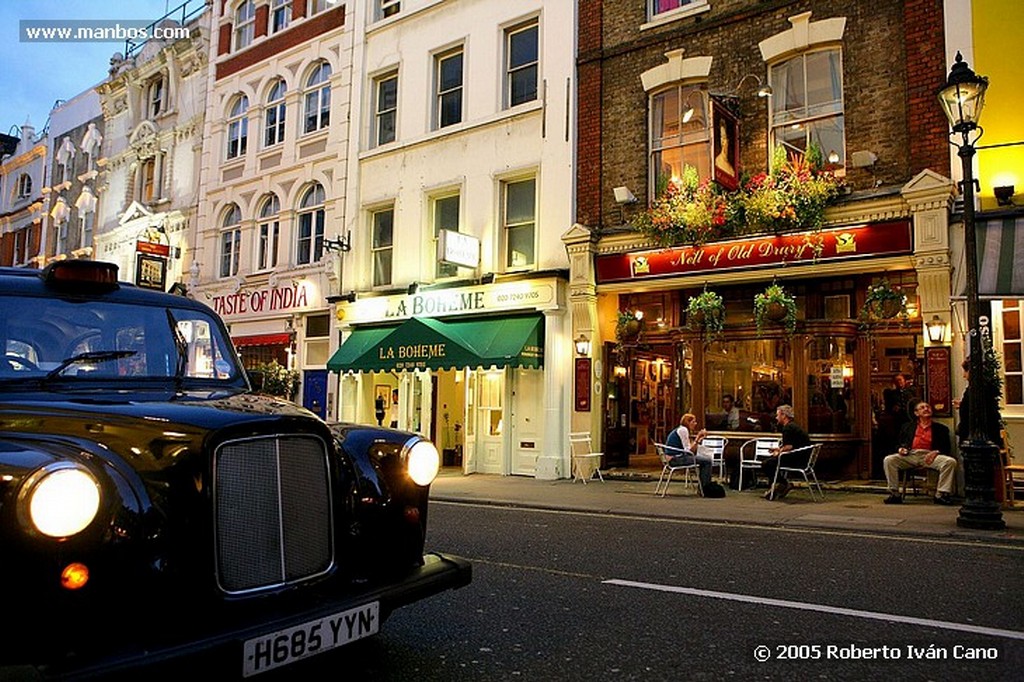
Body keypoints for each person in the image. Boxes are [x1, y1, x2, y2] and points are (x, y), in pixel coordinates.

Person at [882, 400, 957, 505]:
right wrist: (900, 449)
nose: (926, 409)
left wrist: (935, 452)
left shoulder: (941, 428)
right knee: (889, 460)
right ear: (916, 413)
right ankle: (895, 494)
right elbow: (898, 444)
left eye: (928, 407)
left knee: (950, 462)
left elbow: (946, 448)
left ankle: (941, 494)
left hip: (929, 455)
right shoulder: (907, 427)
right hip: (911, 455)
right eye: (922, 408)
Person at [761, 404, 811, 500]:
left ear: (784, 416)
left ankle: (782, 484)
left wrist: (779, 452)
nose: (776, 418)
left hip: (797, 459)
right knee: (771, 462)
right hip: (802, 457)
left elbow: (789, 447)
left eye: (778, 415)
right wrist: (778, 450)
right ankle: (775, 487)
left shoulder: (788, 428)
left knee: (767, 464)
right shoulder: (793, 426)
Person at [954, 359, 1003, 447]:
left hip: (977, 435)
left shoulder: (977, 389)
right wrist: (963, 405)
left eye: (965, 371)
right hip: (986, 432)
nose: (964, 376)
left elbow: (978, 411)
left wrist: (964, 406)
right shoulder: (984, 387)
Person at [665, 413, 713, 492]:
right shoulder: (683, 430)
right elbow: (688, 451)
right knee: (707, 461)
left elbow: (690, 450)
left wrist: (698, 440)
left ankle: (703, 486)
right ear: (688, 422)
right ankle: (704, 488)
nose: (695, 424)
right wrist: (697, 438)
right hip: (675, 459)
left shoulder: (682, 430)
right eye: (693, 422)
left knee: (703, 459)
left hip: (676, 457)